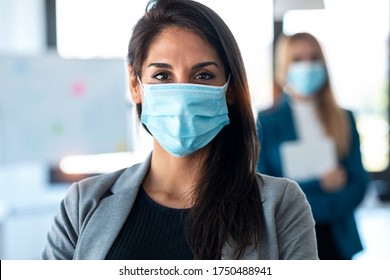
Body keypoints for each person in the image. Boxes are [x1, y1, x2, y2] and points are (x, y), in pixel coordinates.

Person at [41, 0, 318, 260]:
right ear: (136, 85)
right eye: (162, 75)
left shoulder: (281, 205)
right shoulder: (82, 205)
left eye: (203, 75)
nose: (182, 94)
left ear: (230, 88)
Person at [256, 32, 368, 260]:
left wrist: (301, 205)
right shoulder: (267, 121)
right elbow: (265, 191)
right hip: (288, 237)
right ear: (283, 66)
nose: (307, 65)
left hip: (338, 238)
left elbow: (359, 184)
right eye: (297, 59)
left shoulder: (344, 118)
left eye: (314, 57)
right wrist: (321, 184)